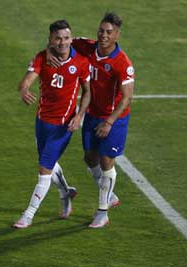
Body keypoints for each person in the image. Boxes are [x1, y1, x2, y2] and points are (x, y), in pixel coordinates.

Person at [49, 12, 135, 228]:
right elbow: (62, 42)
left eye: (109, 32)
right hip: (92, 113)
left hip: (114, 118)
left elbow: (127, 98)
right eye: (101, 30)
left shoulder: (122, 63)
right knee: (90, 158)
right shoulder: (87, 46)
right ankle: (110, 195)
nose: (103, 35)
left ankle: (102, 211)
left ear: (117, 34)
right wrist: (50, 51)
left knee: (107, 162)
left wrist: (109, 122)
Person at [13, 19, 91, 228]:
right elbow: (26, 80)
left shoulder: (81, 62)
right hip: (42, 121)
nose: (62, 42)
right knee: (48, 164)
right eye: (57, 38)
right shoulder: (42, 57)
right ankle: (66, 193)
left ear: (71, 38)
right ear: (50, 40)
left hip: (64, 125)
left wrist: (79, 116)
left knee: (44, 168)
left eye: (66, 38)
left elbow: (87, 92)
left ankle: (28, 214)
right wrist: (24, 89)